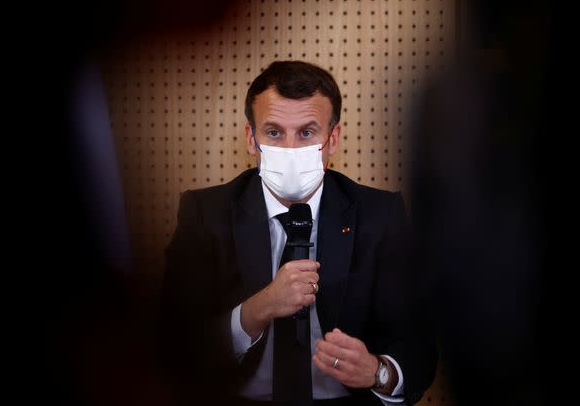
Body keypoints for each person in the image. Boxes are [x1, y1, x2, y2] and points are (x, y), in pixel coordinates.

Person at [159, 60, 437, 405]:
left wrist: (378, 371)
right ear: (251, 138)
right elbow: (173, 344)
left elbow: (418, 341)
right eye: (274, 132)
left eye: (307, 133)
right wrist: (253, 312)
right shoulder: (206, 213)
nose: (290, 149)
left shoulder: (380, 215)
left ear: (332, 139)